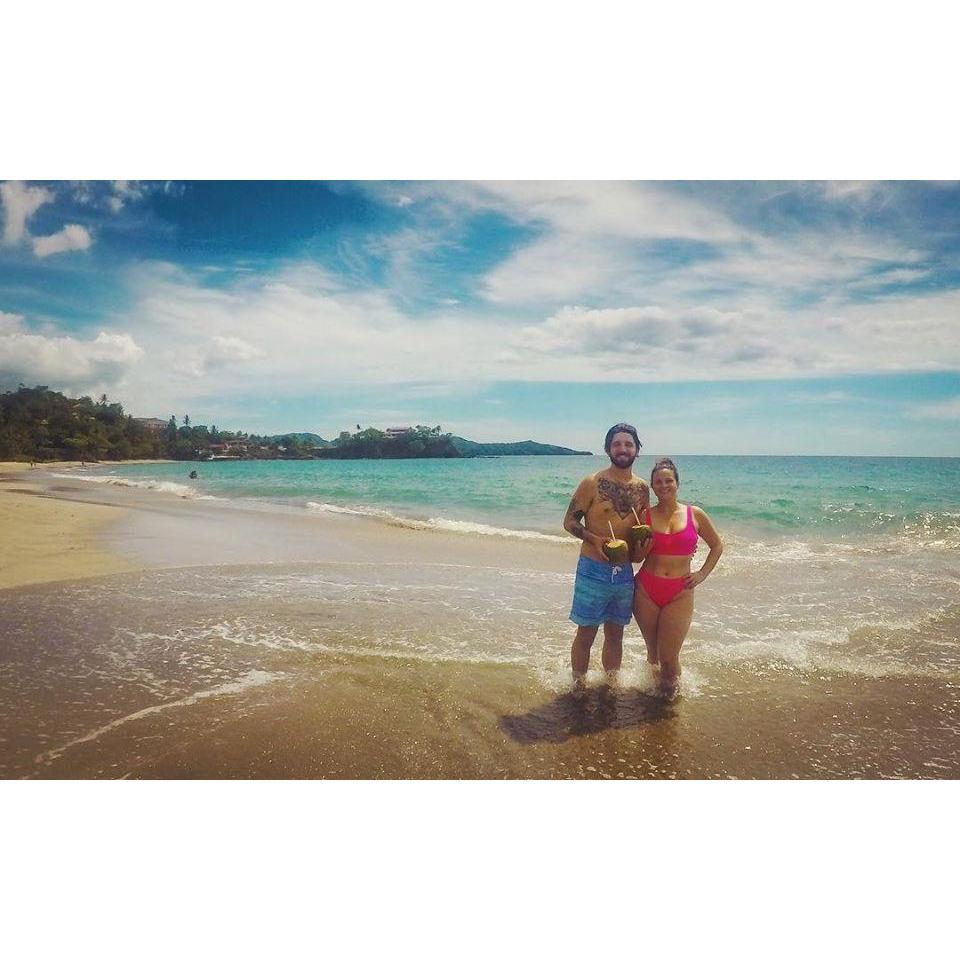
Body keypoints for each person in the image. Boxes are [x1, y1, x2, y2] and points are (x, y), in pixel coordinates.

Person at [563, 423, 650, 689]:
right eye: (617, 444)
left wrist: (640, 552)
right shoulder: (591, 483)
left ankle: (610, 687)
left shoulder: (643, 488)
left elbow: (639, 532)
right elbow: (569, 522)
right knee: (586, 633)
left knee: (616, 635)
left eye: (628, 444)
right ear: (607, 448)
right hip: (593, 569)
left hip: (623, 573)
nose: (622, 449)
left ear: (637, 449)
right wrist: (594, 539)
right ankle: (578, 687)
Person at [633, 457, 723, 700]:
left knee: (669, 658)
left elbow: (716, 546)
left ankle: (671, 704)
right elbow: (635, 557)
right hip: (645, 589)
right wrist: (642, 548)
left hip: (680, 591)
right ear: (652, 486)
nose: (664, 486)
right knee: (653, 653)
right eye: (658, 482)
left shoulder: (695, 514)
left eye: (668, 481)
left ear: (677, 483)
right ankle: (653, 699)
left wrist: (702, 574)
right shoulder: (644, 516)